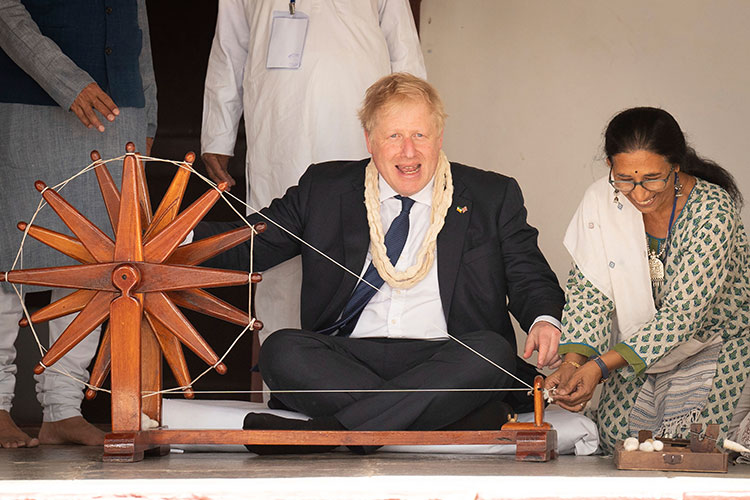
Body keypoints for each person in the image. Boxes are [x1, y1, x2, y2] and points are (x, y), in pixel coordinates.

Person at [194, 73, 565, 454]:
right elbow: (253, 242)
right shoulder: (325, 188)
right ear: (370, 141)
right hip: (351, 359)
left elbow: (529, 274)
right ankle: (457, 417)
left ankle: (331, 431)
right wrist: (174, 237)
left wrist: (543, 319)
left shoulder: (491, 195)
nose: (408, 152)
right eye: (394, 136)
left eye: (420, 135)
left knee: (492, 353)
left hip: (447, 357)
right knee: (281, 350)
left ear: (439, 138)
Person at [200, 0, 426, 341]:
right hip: (279, 134)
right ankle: (281, 386)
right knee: (275, 257)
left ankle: (361, 385)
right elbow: (230, 47)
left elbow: (404, 49)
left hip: (359, 132)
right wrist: (218, 135)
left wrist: (415, 135)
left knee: (362, 249)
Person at [546, 107, 750, 453]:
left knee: (696, 445)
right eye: (625, 179)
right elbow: (588, 293)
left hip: (714, 344)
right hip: (637, 350)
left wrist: (599, 367)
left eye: (653, 178)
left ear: (676, 164)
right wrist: (573, 364)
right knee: (616, 439)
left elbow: (682, 316)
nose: (639, 193)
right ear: (610, 166)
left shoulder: (712, 211)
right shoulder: (600, 202)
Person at [0, 0, 157, 448]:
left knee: (96, 266)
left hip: (116, 110)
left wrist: (147, 109)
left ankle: (63, 409)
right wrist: (67, 83)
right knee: (9, 256)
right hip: (29, 101)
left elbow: (136, 25)